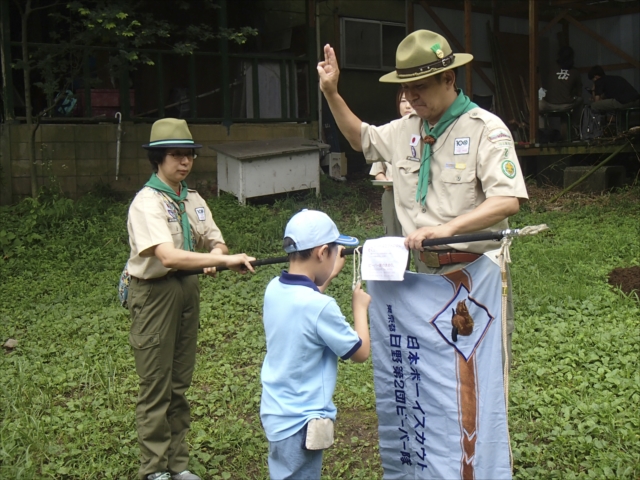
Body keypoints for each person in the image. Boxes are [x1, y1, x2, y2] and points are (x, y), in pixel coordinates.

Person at [317, 29, 528, 366]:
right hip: (420, 274)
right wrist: (331, 93)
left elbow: (506, 201)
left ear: (448, 78)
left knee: (476, 370)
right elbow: (360, 138)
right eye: (406, 88)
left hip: (472, 274)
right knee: (430, 372)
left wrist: (448, 229)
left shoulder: (485, 129)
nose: (411, 96)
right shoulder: (407, 129)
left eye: (421, 87)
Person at [127, 118, 256, 480]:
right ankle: (154, 470)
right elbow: (167, 256)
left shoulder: (193, 199)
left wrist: (217, 252)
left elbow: (215, 240)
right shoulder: (147, 203)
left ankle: (177, 465)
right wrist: (221, 260)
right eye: (175, 155)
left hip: (187, 291)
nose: (184, 162)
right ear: (157, 159)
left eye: (189, 155)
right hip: (155, 295)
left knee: (179, 384)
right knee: (156, 384)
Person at [260, 209, 371, 480]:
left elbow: (304, 309)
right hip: (303, 421)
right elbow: (360, 352)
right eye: (334, 251)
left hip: (277, 413)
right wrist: (360, 307)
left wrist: (329, 277)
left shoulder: (274, 288)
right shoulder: (321, 307)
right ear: (322, 253)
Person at [369, 87, 415, 237]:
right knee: (394, 239)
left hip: (416, 195)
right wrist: (385, 181)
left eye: (411, 101)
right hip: (392, 194)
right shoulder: (390, 132)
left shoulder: (426, 131)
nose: (407, 106)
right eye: (403, 101)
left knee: (419, 238)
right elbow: (378, 171)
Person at [539, 46, 583, 138]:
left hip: (548, 104)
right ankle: (575, 126)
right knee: (580, 100)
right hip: (566, 105)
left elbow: (543, 86)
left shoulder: (551, 68)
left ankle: (542, 131)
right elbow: (579, 92)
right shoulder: (575, 72)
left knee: (537, 107)